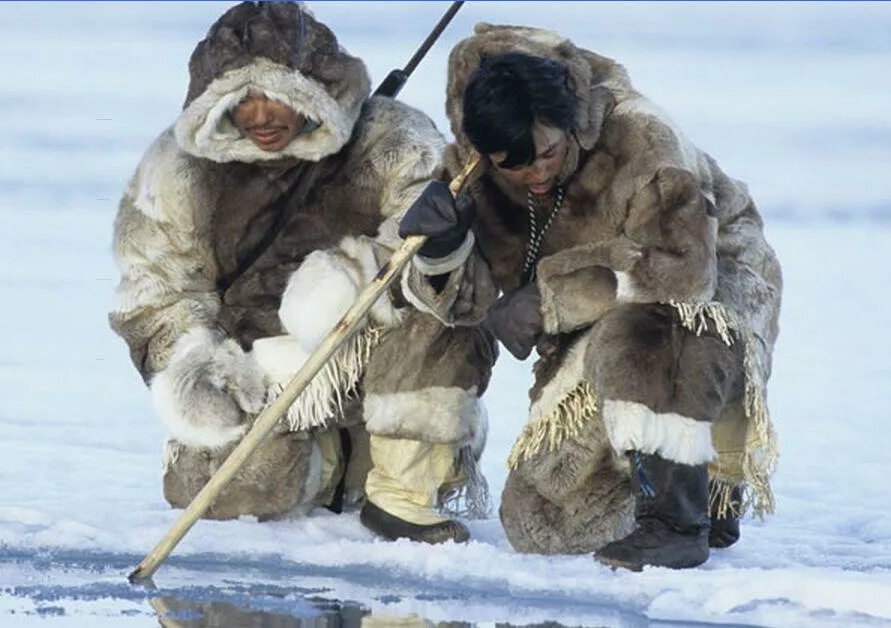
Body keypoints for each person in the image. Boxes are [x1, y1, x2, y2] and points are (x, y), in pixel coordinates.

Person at [108, 2, 496, 544]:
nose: (260, 115)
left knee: (438, 323)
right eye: (242, 98)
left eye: (277, 95)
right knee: (225, 494)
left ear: (313, 90)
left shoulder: (392, 141)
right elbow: (155, 290)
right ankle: (339, 461)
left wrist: (438, 247)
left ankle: (405, 489)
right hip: (259, 373)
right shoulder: (179, 167)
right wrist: (198, 369)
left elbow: (457, 290)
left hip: (366, 346)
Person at [399, 24, 782, 570]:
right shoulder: (470, 170)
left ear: (568, 122)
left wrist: (548, 299)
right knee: (544, 525)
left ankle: (684, 515)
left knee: (655, 329)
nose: (536, 173)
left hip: (711, 277)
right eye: (515, 163)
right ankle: (656, 477)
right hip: (598, 305)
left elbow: (682, 273)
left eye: (547, 153)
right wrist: (441, 248)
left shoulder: (643, 140)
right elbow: (464, 306)